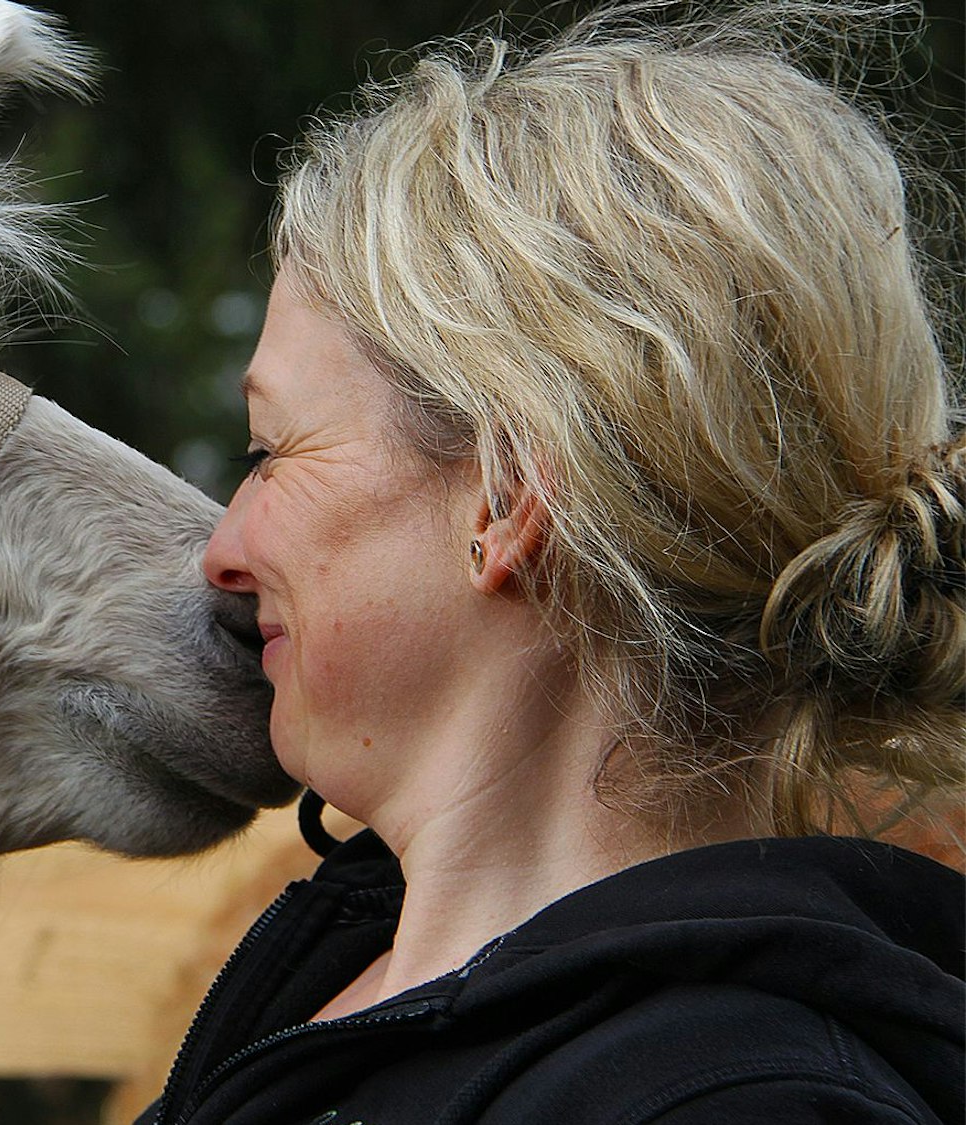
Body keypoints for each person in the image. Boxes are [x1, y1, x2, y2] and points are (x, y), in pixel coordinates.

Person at [138, 3, 965, 1123]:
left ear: (507, 493)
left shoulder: (735, 1105)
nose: (222, 551)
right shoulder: (331, 992)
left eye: (270, 450)